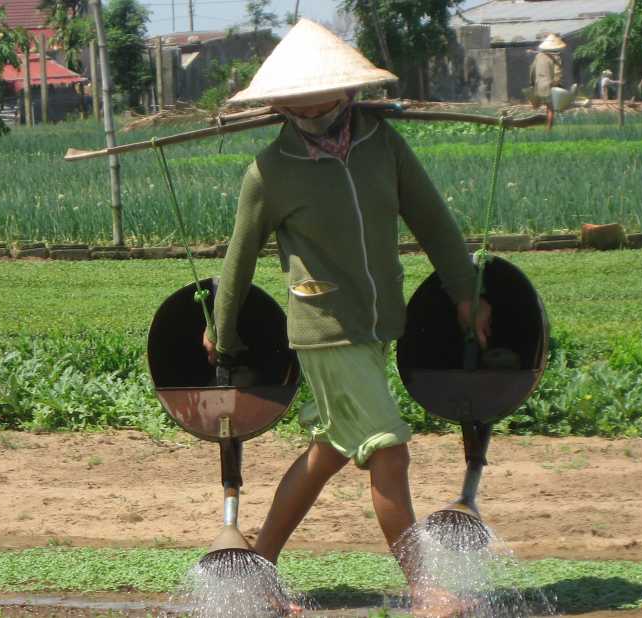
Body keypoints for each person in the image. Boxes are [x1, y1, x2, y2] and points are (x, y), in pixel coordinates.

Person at [201, 18, 492, 617]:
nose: (306, 109)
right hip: (325, 331)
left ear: (345, 94)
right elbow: (238, 260)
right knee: (389, 450)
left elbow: (432, 220)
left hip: (377, 324)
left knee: (328, 450)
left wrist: (465, 289)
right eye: (294, 102)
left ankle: (260, 572)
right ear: (279, 103)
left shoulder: (381, 143)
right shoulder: (269, 172)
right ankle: (423, 589)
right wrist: (221, 332)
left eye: (317, 98)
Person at [529, 33, 566, 131]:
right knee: (550, 108)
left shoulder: (538, 56)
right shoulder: (556, 58)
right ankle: (548, 129)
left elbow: (532, 70)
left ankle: (540, 125)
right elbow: (557, 74)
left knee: (539, 106)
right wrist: (557, 85)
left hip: (538, 85)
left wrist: (532, 83)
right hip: (549, 86)